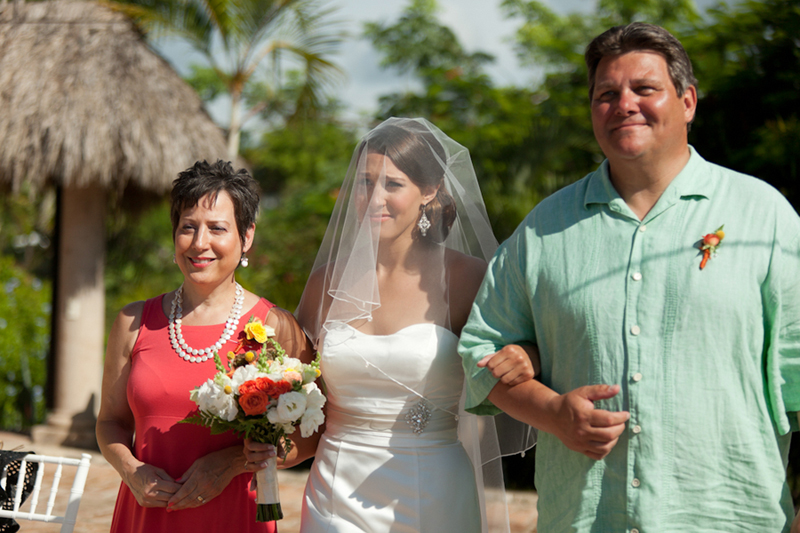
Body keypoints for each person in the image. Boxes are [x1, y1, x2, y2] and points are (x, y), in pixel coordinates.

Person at [458, 22, 800, 533]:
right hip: (583, 516)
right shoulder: (543, 230)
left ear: (687, 101)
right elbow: (481, 352)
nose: (624, 104)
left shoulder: (764, 216)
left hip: (729, 514)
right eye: (606, 94)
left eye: (645, 89)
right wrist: (554, 413)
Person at [244, 117, 536, 532]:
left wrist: (527, 356)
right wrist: (271, 440)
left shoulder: (467, 278)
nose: (374, 198)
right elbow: (301, 392)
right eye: (364, 183)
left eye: (392, 184)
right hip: (335, 489)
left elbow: (520, 354)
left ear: (430, 190)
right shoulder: (327, 282)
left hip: (432, 488)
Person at [96, 160, 314, 533]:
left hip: (234, 515)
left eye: (217, 228)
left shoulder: (275, 326)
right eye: (188, 228)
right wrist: (131, 470)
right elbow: (110, 423)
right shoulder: (132, 322)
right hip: (146, 515)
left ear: (246, 237)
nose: (200, 243)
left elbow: (307, 439)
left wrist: (231, 463)